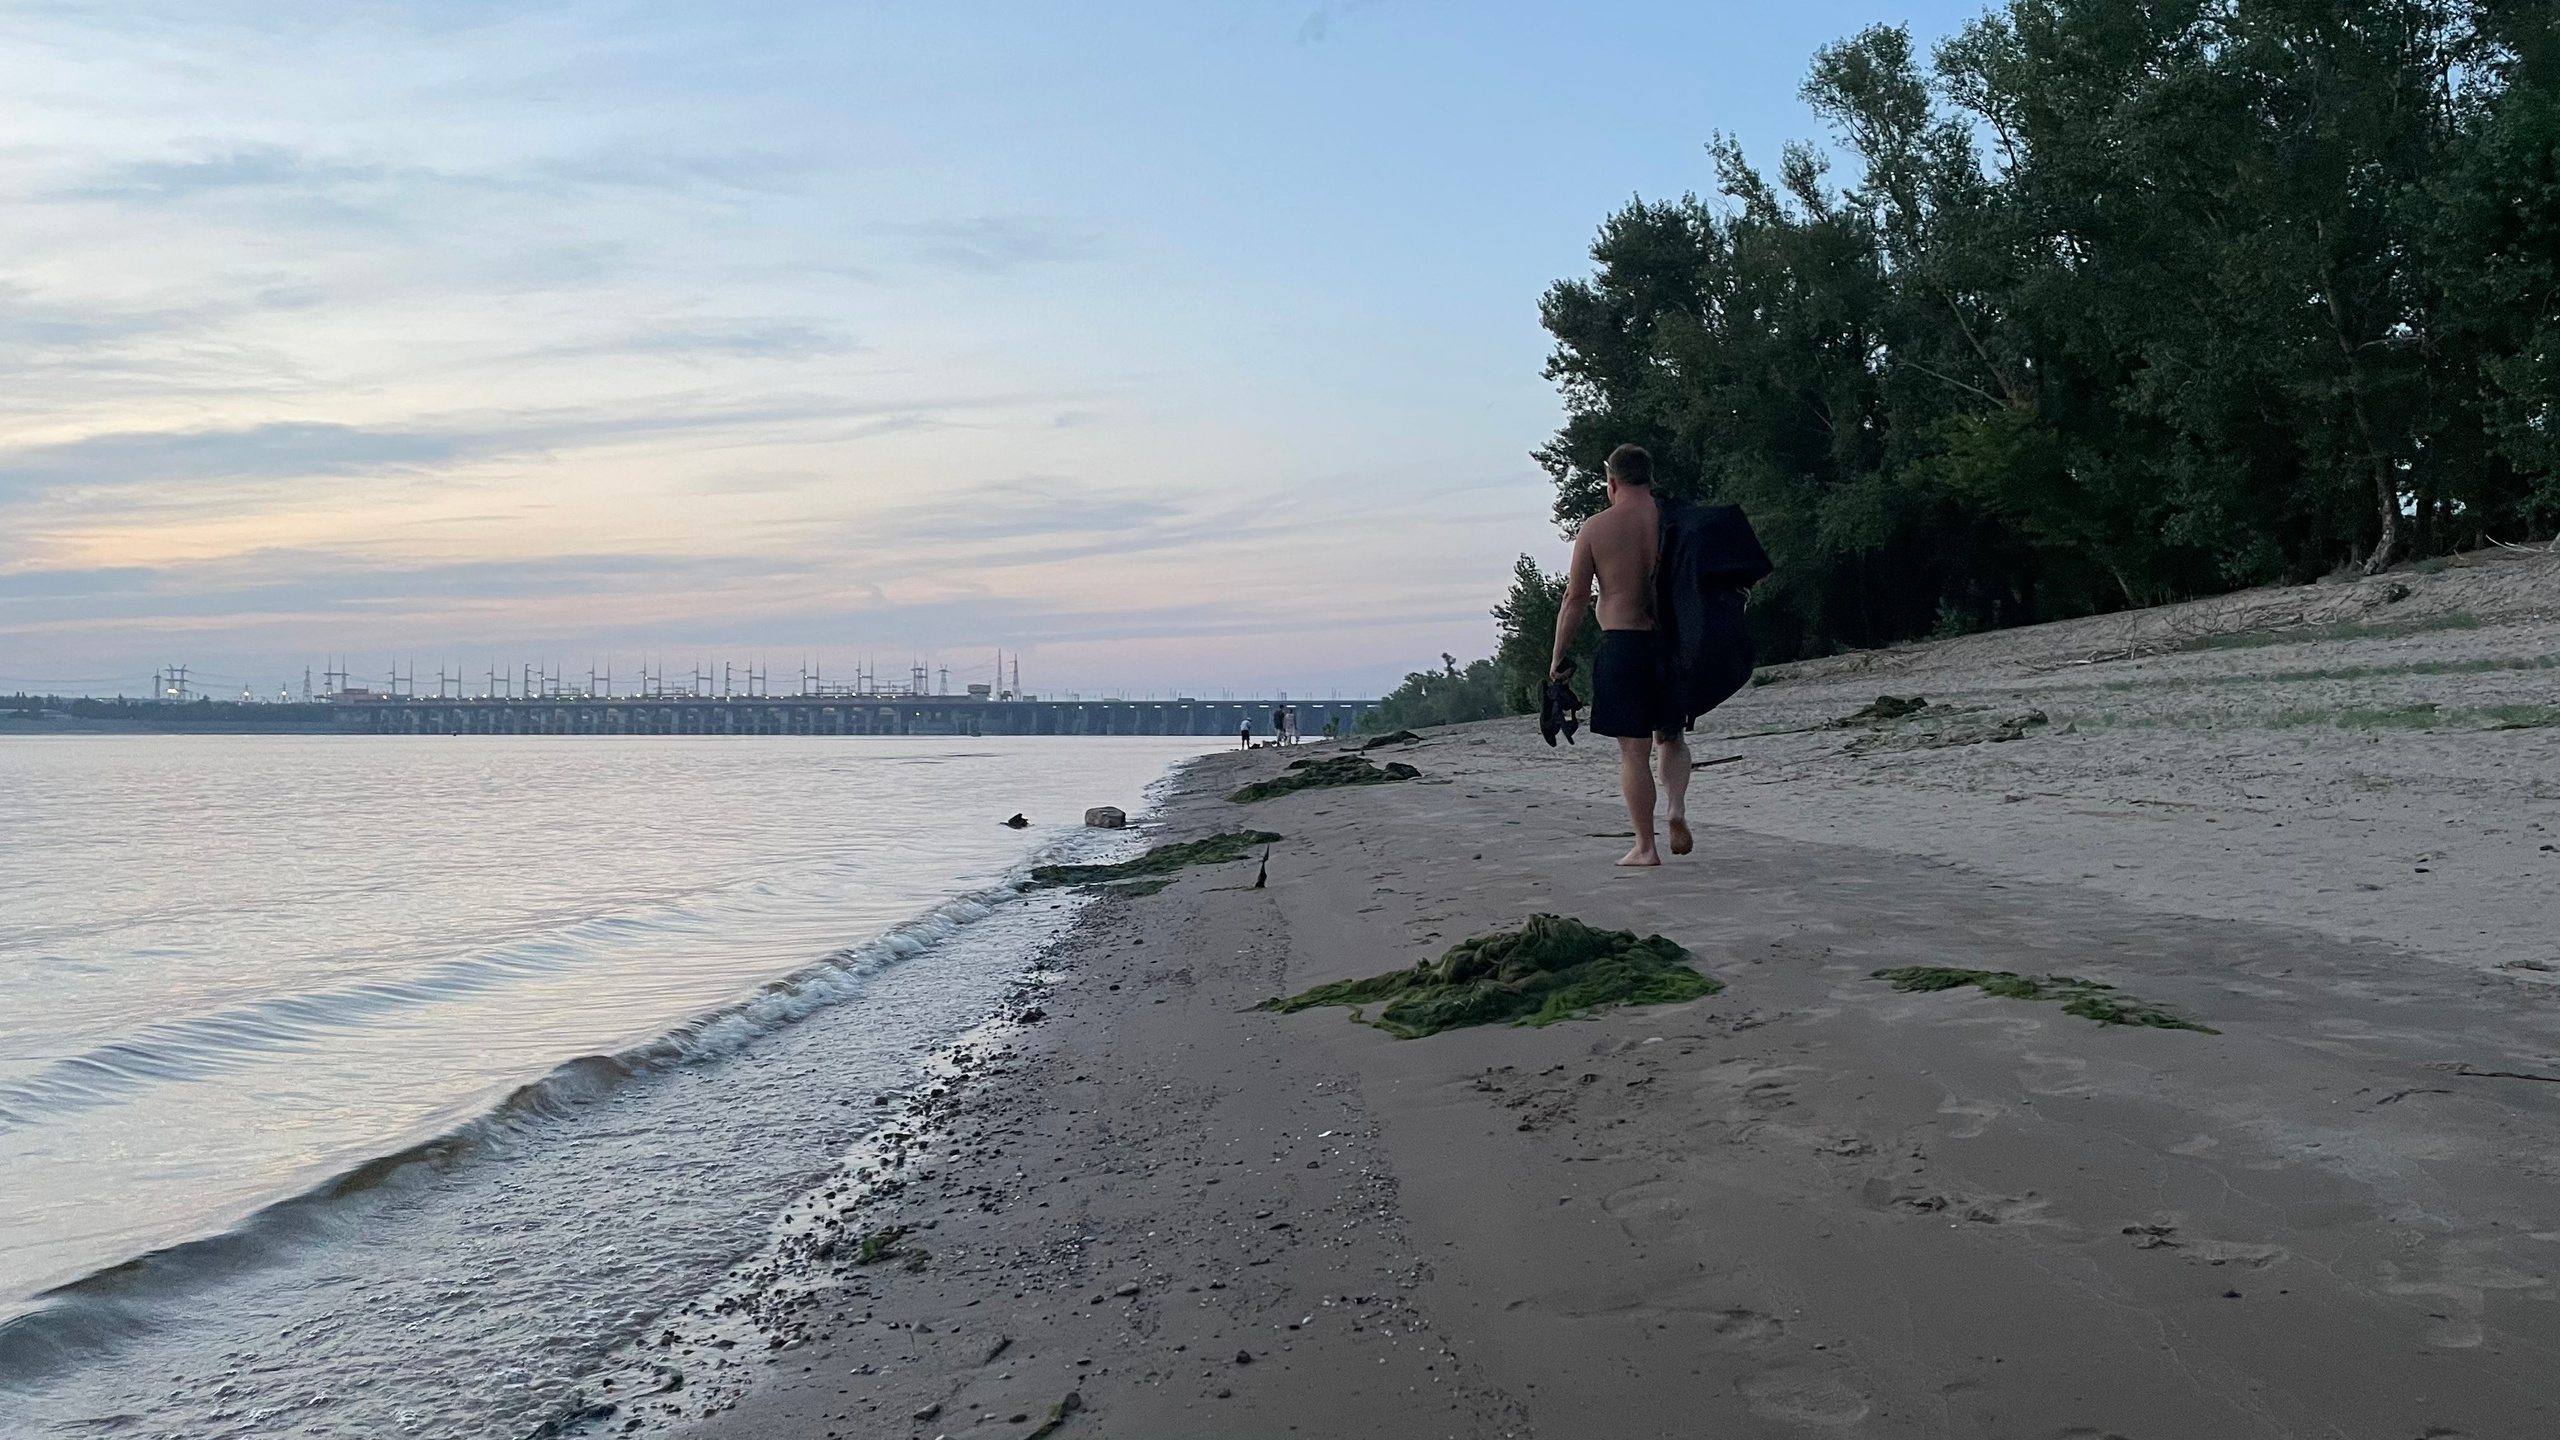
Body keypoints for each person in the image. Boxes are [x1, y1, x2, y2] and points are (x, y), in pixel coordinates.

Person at [1550, 443, 1692, 866]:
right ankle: (1677, 808)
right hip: (1674, 646)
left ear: (1611, 482)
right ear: (1651, 478)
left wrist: (1558, 655)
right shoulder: (1676, 520)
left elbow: (1574, 599)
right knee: (1672, 735)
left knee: (1633, 751)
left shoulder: (1596, 528)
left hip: (1623, 647)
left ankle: (1645, 848)